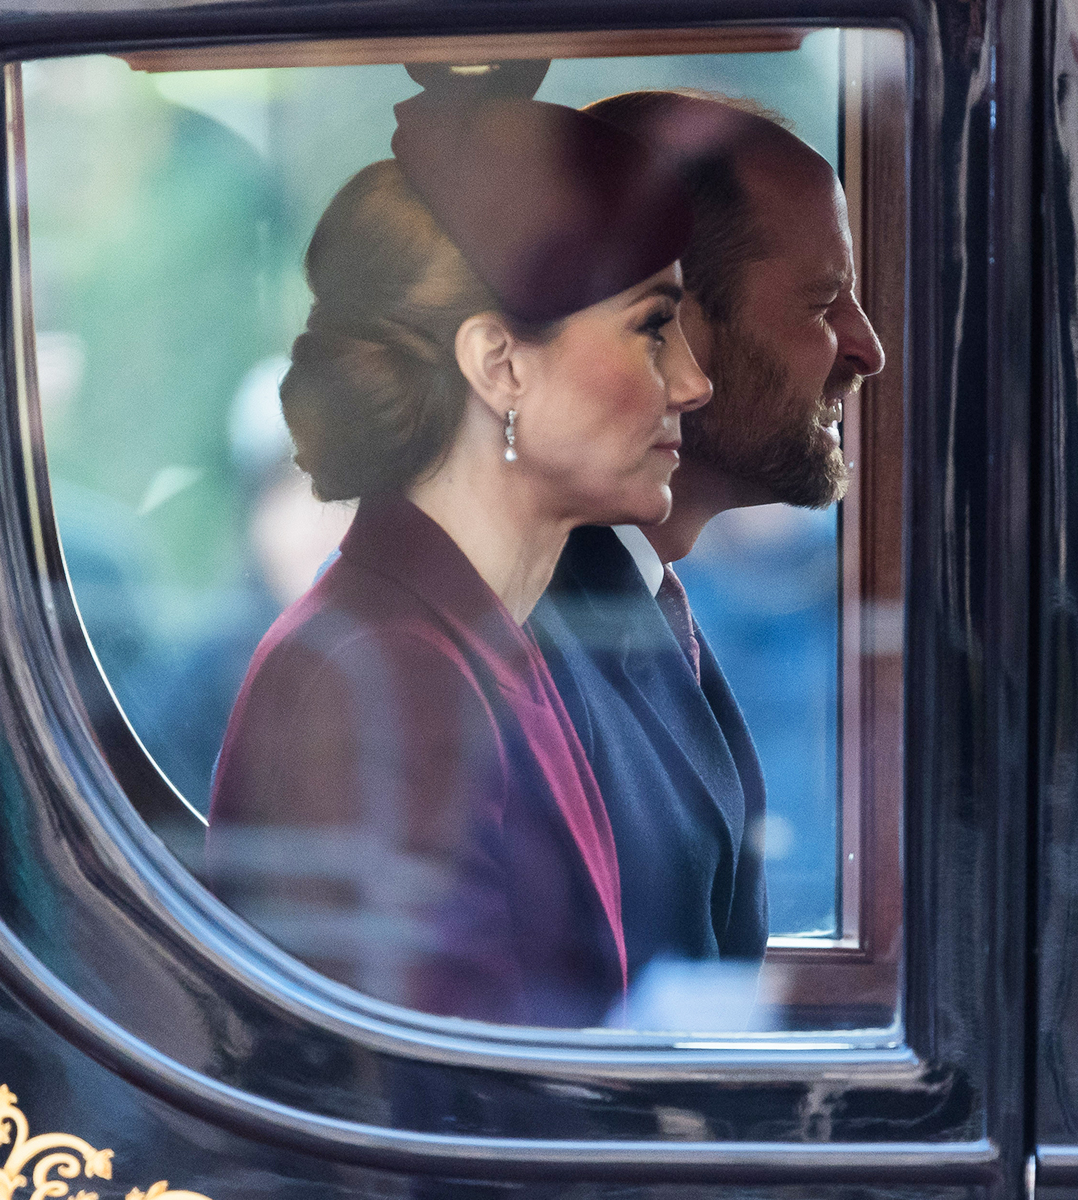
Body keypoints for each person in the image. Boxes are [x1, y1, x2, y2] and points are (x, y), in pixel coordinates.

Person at [205, 61, 712, 1029]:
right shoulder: (391, 677)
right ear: (498, 364)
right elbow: (429, 1117)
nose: (692, 382)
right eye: (652, 328)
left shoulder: (469, 642)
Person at [524, 91, 882, 998]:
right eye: (823, 301)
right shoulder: (510, 636)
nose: (866, 348)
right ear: (670, 320)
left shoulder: (619, 605)